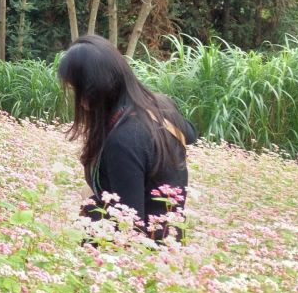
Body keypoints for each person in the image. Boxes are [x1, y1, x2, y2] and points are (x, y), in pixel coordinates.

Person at [58, 34, 198, 241]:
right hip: (170, 248)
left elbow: (130, 227)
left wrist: (89, 205)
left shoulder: (123, 140)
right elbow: (191, 133)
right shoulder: (160, 105)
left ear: (91, 90)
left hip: (138, 261)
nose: (76, 100)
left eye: (74, 90)